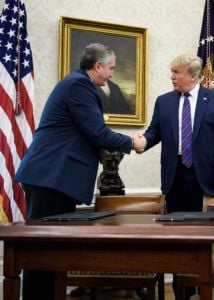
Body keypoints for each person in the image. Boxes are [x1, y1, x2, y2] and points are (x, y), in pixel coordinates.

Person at [15, 43, 137, 300]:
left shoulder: (77, 83)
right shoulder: (79, 86)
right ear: (98, 66)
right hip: (51, 177)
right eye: (111, 68)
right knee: (43, 253)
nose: (112, 74)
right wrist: (133, 143)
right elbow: (98, 133)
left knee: (50, 253)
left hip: (55, 178)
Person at [134, 54, 214, 299]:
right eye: (172, 72)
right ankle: (182, 292)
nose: (172, 77)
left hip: (205, 180)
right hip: (175, 176)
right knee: (176, 238)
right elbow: (154, 131)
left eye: (176, 72)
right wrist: (141, 142)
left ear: (192, 75)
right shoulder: (164, 101)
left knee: (200, 239)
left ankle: (203, 288)